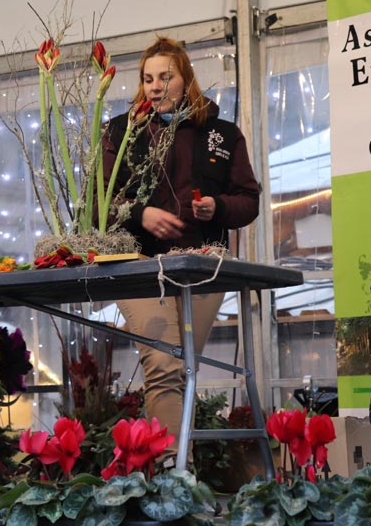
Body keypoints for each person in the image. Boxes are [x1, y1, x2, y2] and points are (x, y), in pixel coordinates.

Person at [101, 37, 260, 460]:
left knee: (184, 370)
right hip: (138, 265)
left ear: (185, 79)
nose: (155, 86)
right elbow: (97, 204)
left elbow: (249, 201)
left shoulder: (222, 134)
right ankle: (172, 473)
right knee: (165, 364)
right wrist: (140, 214)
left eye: (165, 77)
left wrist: (217, 207)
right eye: (147, 78)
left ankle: (172, 473)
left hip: (202, 266)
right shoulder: (120, 132)